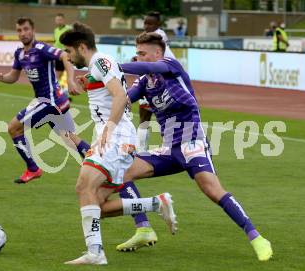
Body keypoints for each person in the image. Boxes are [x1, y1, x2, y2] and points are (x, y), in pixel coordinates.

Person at [103, 32, 273, 262]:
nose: (138, 57)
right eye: (137, 53)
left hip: (192, 143)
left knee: (212, 190)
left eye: (142, 54)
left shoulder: (171, 66)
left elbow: (140, 67)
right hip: (169, 149)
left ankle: (256, 237)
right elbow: (123, 100)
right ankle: (143, 228)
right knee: (120, 170)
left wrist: (114, 65)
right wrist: (96, 84)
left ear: (157, 54)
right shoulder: (145, 82)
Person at [60, 22, 177, 265]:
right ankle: (156, 204)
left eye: (70, 52)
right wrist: (88, 83)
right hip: (113, 136)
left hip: (115, 136)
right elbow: (108, 90)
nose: (69, 58)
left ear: (82, 47)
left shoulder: (102, 61)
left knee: (83, 186)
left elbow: (121, 95)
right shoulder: (96, 66)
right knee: (97, 205)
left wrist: (110, 128)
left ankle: (95, 254)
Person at [0, 17, 80, 183]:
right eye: (19, 30)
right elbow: (13, 76)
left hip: (50, 101)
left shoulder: (41, 49)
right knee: (73, 140)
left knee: (13, 128)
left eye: (26, 29)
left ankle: (33, 169)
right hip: (55, 102)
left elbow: (65, 56)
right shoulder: (20, 54)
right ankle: (102, 168)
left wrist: (70, 80)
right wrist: (2, 78)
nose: (23, 33)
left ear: (33, 30)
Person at [137, 11, 176, 155]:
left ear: (158, 25)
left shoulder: (158, 37)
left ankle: (145, 150)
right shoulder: (153, 38)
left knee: (157, 117)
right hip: (153, 80)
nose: (146, 26)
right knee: (146, 115)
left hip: (160, 82)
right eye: (145, 23)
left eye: (150, 23)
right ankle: (143, 150)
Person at [53, 13, 72, 85]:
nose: (58, 21)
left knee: (68, 73)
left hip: (66, 54)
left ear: (63, 20)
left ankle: (66, 93)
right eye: (57, 20)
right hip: (58, 54)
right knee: (58, 74)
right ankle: (56, 92)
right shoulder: (56, 30)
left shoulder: (69, 29)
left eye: (60, 20)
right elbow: (55, 42)